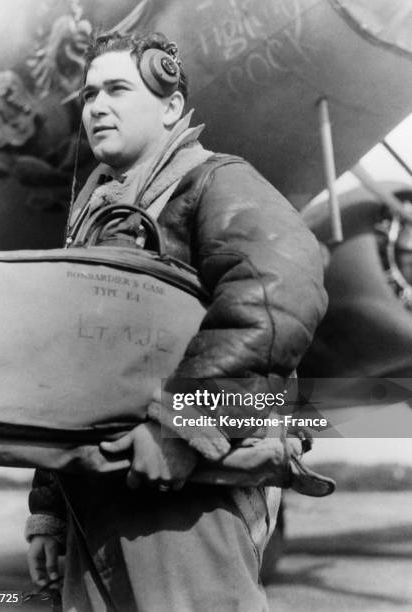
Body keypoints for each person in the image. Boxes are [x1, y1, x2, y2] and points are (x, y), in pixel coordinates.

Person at [25, 30, 328, 612]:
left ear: (169, 104)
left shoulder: (215, 180)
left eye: (117, 89)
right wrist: (48, 512)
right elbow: (71, 375)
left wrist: (179, 426)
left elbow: (280, 293)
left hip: (187, 501)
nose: (97, 107)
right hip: (94, 501)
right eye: (89, 95)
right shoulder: (95, 213)